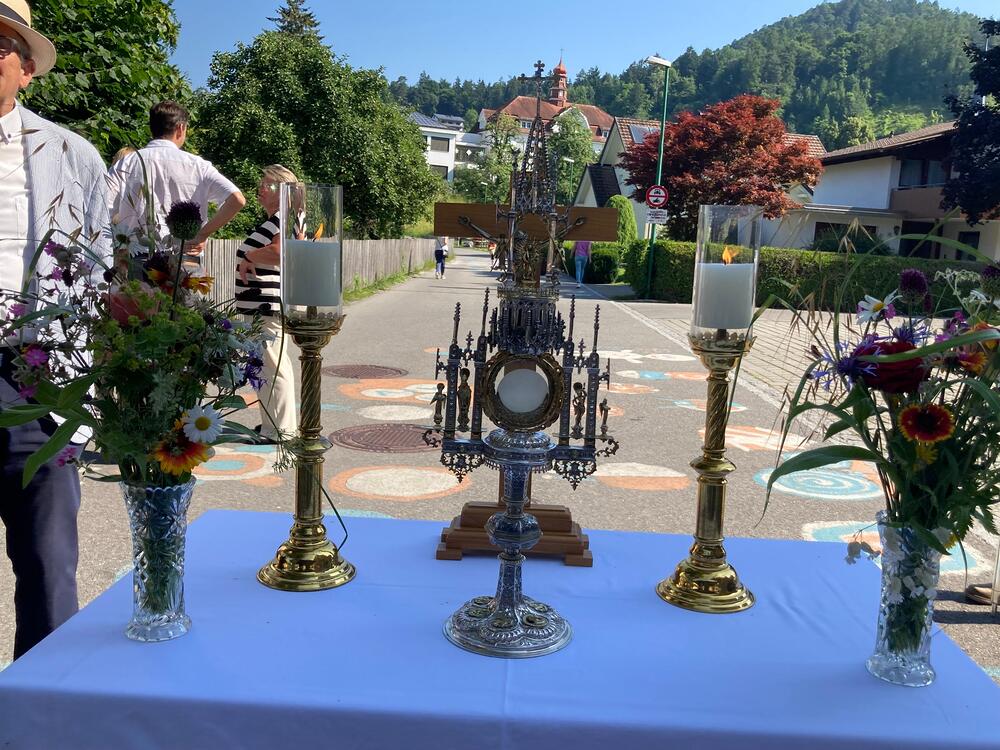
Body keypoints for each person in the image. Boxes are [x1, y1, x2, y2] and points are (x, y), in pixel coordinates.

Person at [0, 1, 111, 659]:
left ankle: (41, 705)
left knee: (47, 571)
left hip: (37, 379)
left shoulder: (71, 155)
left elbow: (101, 266)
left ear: (26, 69)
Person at [109, 100, 245, 261]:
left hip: (136, 257)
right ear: (181, 128)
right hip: (184, 258)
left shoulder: (127, 163)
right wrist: (203, 234)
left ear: (152, 128)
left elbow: (105, 204)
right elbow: (237, 199)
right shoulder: (198, 166)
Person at [234, 165, 298, 442]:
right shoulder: (278, 219)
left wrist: (250, 257)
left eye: (267, 185)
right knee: (266, 367)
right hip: (260, 306)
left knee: (273, 366)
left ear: (283, 191)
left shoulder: (284, 217)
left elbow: (281, 251)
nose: (260, 189)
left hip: (266, 306)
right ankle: (273, 424)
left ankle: (280, 430)